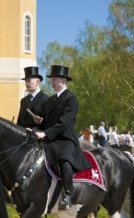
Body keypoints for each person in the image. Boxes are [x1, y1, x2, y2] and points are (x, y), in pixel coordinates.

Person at [34, 65, 92, 210]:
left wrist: (45, 133)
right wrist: (41, 122)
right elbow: (49, 121)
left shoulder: (71, 99)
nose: (52, 82)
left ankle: (68, 194)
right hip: (51, 137)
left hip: (66, 138)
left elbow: (64, 123)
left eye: (54, 79)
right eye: (51, 79)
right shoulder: (51, 100)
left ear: (63, 80)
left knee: (64, 160)